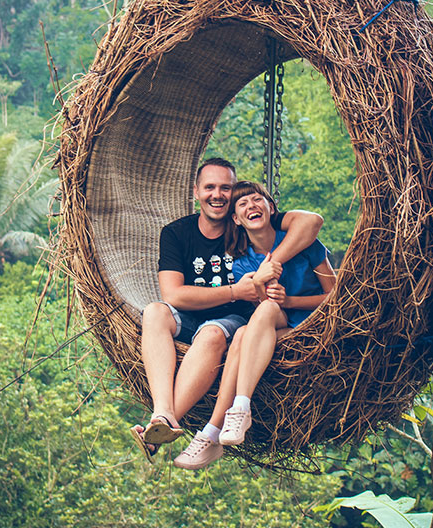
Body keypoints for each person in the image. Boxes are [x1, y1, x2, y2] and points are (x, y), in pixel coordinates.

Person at [131, 159, 323, 461]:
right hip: (189, 315)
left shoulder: (249, 225)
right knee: (154, 311)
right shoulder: (177, 233)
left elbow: (310, 222)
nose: (217, 194)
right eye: (210, 187)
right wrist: (236, 290)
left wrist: (269, 265)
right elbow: (173, 294)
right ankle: (163, 413)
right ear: (196, 192)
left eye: (226, 188)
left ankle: (165, 425)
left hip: (231, 319)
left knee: (211, 333)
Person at [173, 181, 336, 469]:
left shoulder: (305, 243)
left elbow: (336, 297)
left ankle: (224, 420)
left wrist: (291, 301)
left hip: (316, 327)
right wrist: (261, 281)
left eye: (256, 199)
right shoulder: (241, 263)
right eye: (243, 204)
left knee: (250, 329)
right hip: (278, 330)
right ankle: (226, 421)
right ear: (235, 219)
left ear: (270, 207)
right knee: (245, 331)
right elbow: (262, 308)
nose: (251, 206)